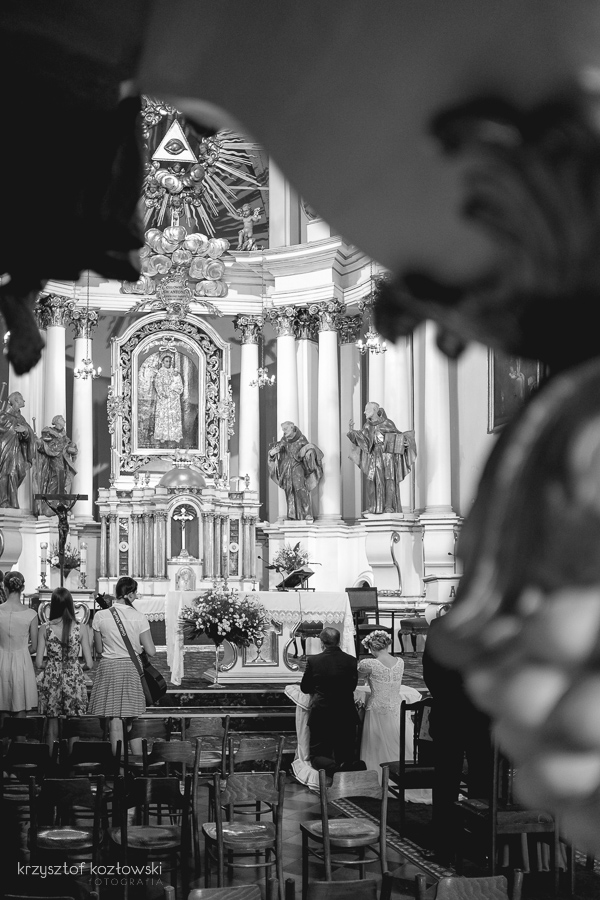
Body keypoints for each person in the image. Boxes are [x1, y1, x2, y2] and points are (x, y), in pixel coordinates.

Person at [422, 613, 493, 862]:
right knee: (480, 779)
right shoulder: (490, 620)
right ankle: (480, 841)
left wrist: (447, 698)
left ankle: (445, 840)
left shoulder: (441, 625)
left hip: (450, 713)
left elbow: (430, 673)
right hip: (479, 714)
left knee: (447, 780)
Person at [357, 630, 432, 804]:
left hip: (377, 708)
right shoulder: (400, 662)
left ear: (371, 647)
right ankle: (411, 778)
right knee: (400, 741)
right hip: (397, 708)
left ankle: (377, 778)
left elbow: (358, 675)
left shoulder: (368, 663)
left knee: (376, 743)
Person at [88, 575, 156, 753]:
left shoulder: (101, 616)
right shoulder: (139, 617)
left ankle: (118, 763)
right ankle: (137, 762)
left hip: (109, 669)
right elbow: (151, 651)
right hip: (130, 668)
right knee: (132, 717)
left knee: (114, 719)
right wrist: (136, 646)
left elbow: (99, 649)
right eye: (135, 593)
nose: (136, 596)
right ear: (130, 594)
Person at [35, 587, 93, 749]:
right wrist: (75, 667)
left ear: (53, 605)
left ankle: (50, 760)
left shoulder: (45, 628)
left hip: (52, 678)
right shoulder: (80, 628)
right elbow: (89, 663)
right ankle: (72, 761)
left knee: (51, 724)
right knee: (73, 725)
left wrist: (53, 666)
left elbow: (38, 663)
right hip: (73, 678)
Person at [300, 626, 361, 776]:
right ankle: (346, 773)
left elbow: (305, 687)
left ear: (322, 643)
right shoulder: (351, 660)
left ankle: (333, 771)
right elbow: (352, 686)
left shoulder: (314, 661)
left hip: (322, 714)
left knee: (318, 755)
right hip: (346, 714)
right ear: (339, 642)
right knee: (346, 753)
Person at [347, 401, 416, 514]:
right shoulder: (367, 426)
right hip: (375, 455)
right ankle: (374, 506)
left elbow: (399, 435)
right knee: (372, 480)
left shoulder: (387, 423)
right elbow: (362, 439)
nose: (364, 412)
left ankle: (389, 506)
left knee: (389, 479)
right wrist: (351, 431)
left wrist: (406, 442)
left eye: (367, 409)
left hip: (388, 455)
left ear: (375, 410)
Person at [0, 572, 38, 725]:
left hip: (1, 660)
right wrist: (20, 651)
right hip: (22, 663)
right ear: (22, 588)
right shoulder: (31, 614)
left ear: (4, 587)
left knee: (1, 708)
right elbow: (34, 647)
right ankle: (19, 739)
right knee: (20, 710)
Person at [268, 421, 324, 520]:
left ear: (292, 427)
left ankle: (306, 514)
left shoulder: (301, 439)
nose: (284, 431)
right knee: (289, 490)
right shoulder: (284, 440)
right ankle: (292, 515)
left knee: (300, 488)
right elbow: (277, 450)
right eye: (283, 430)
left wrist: (309, 452)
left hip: (298, 467)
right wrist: (272, 453)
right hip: (286, 468)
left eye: (286, 429)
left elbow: (309, 448)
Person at [33, 414, 78, 515]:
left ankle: (61, 503)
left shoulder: (64, 435)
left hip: (63, 461)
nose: (64, 420)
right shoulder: (49, 432)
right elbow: (44, 444)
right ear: (57, 421)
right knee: (55, 479)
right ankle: (51, 504)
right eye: (62, 419)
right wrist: (39, 442)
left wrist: (72, 449)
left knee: (62, 479)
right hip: (54, 459)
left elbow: (69, 445)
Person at [0, 391, 36, 509]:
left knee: (20, 471)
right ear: (16, 400)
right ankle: (6, 502)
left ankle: (10, 501)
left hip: (16, 448)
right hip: (5, 447)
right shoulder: (4, 415)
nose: (24, 401)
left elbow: (27, 433)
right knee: (7, 473)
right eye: (21, 398)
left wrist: (25, 431)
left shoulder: (20, 418)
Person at [152, 353, 184, 445]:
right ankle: (162, 436)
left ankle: (175, 436)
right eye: (166, 361)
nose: (168, 363)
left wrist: (174, 389)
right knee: (163, 416)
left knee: (174, 416)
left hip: (173, 398)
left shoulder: (175, 372)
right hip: (164, 398)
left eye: (170, 361)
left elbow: (179, 384)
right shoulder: (160, 373)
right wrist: (162, 393)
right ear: (162, 362)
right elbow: (157, 384)